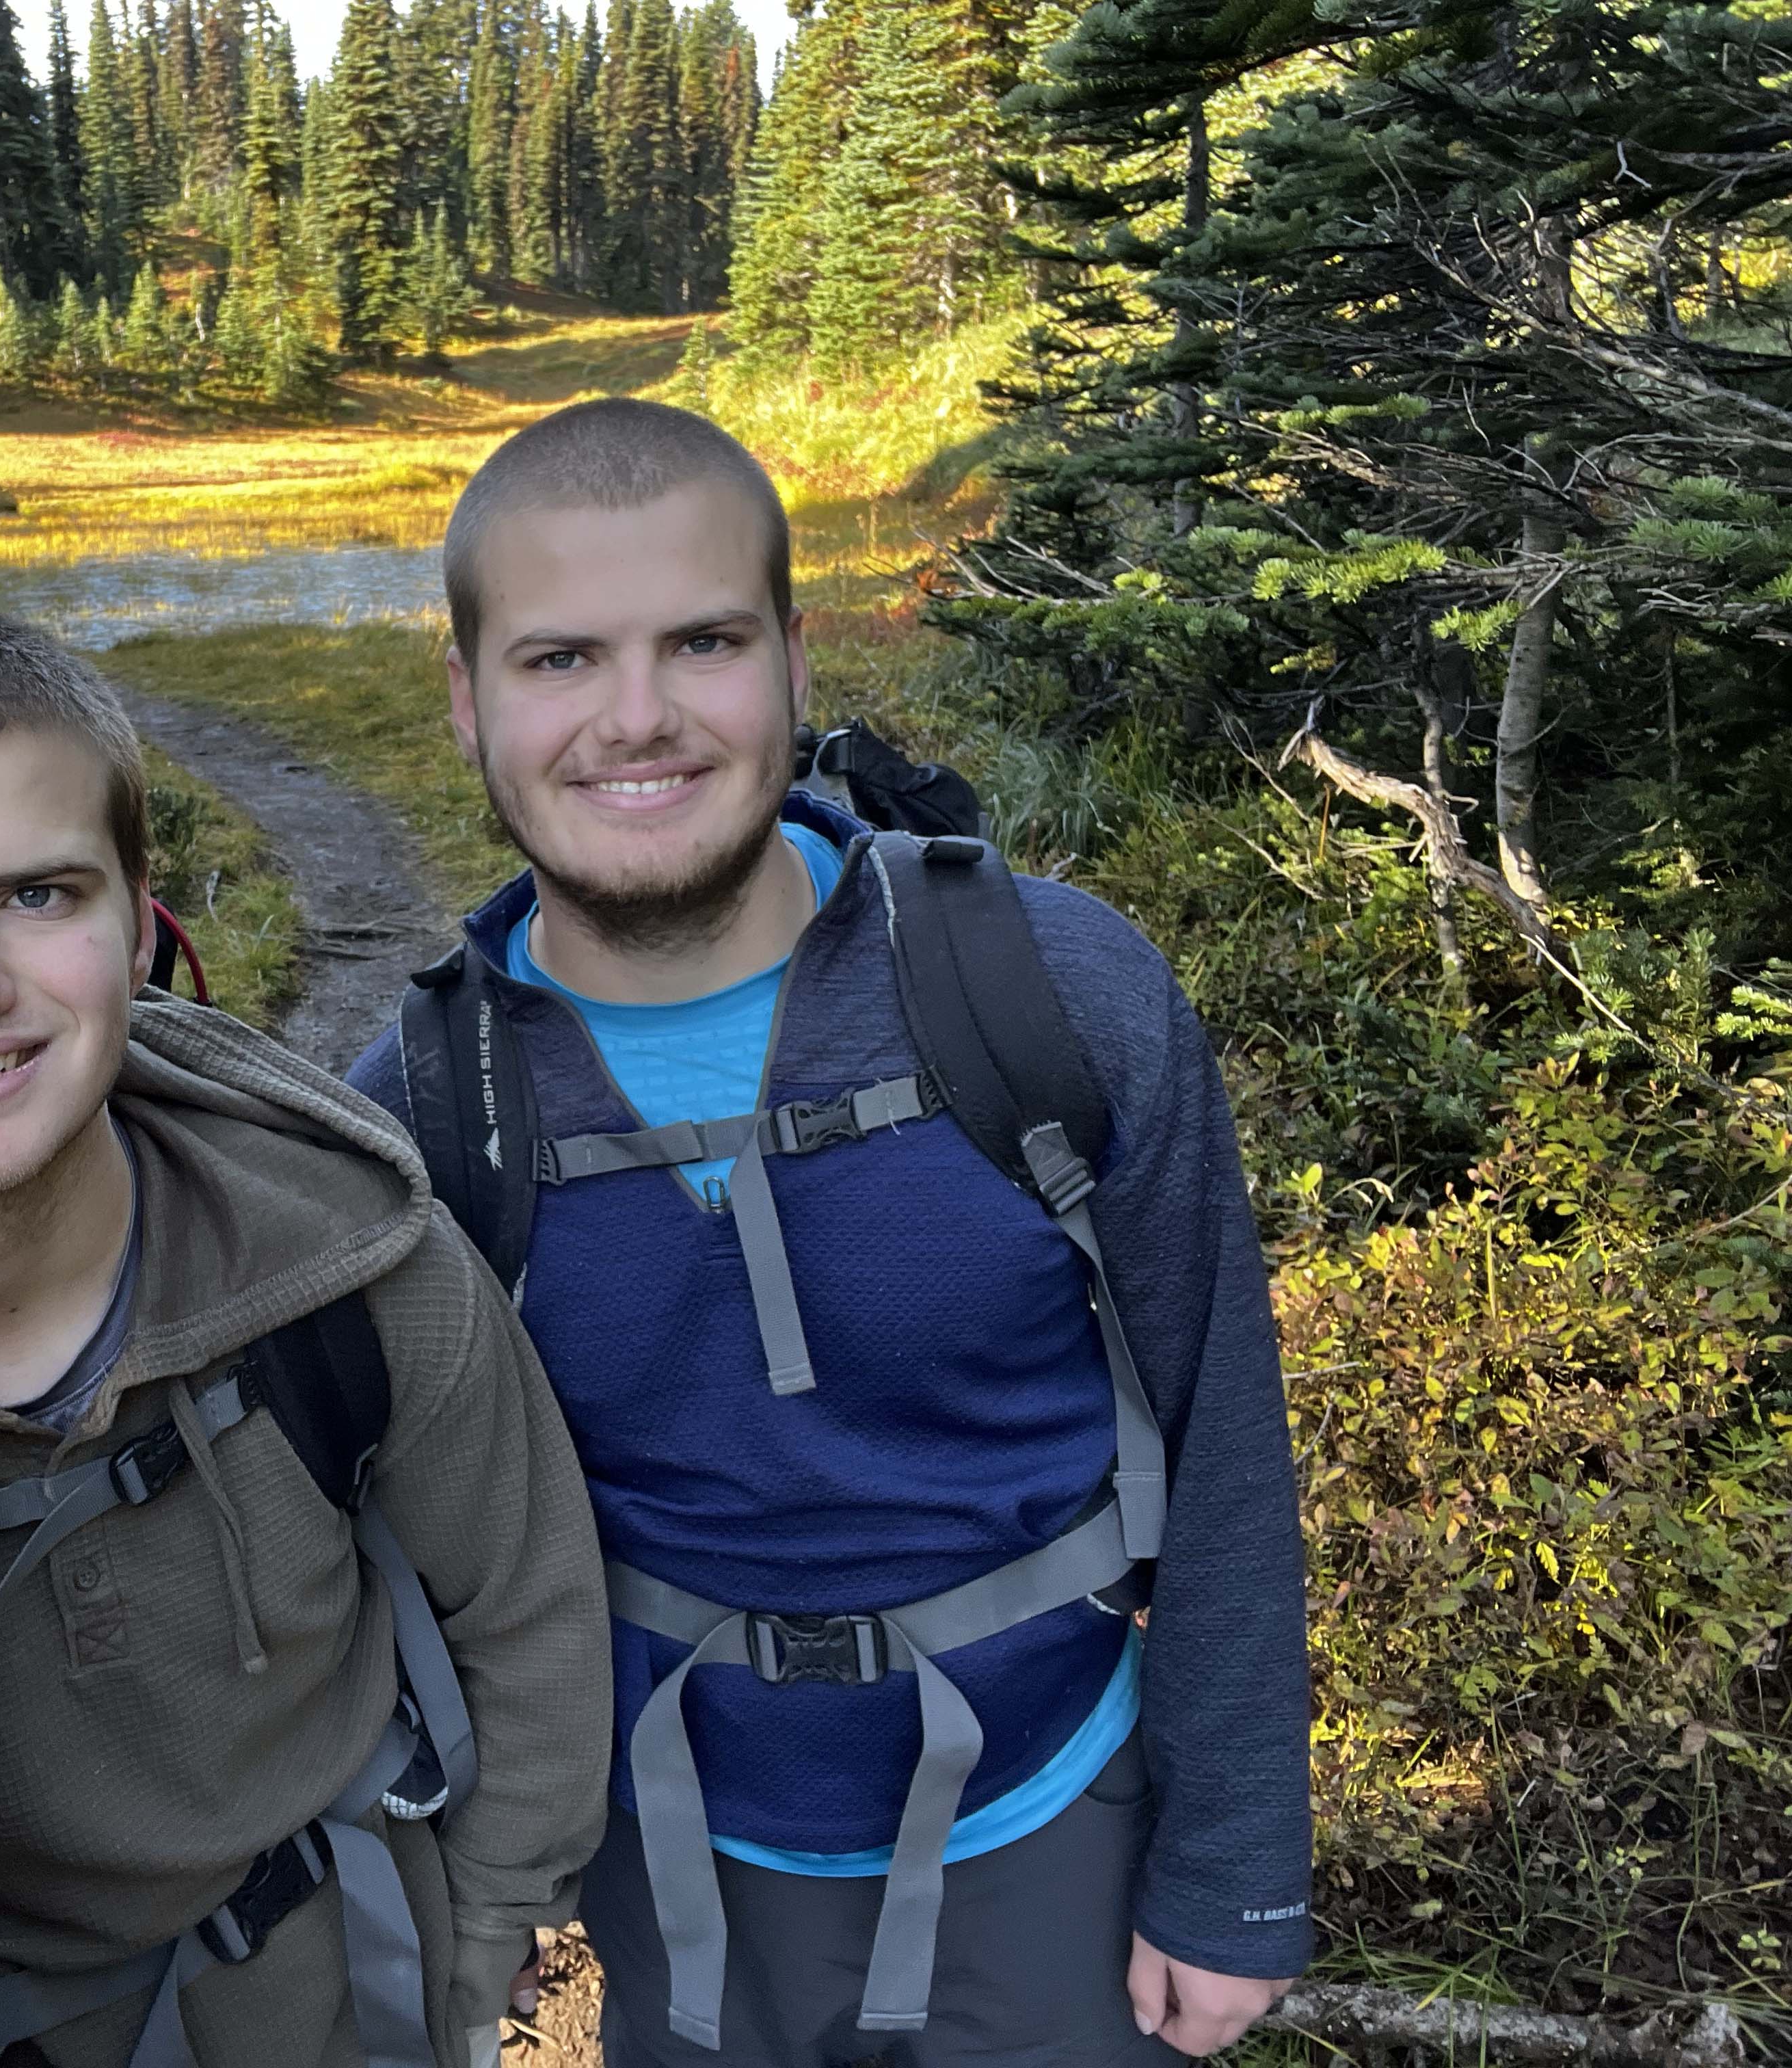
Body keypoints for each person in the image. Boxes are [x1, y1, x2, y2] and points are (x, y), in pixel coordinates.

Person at [347, 399, 1315, 2067]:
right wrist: (464, 1859)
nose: (636, 721)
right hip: (681, 1857)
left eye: (703, 643)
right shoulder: (426, 1104)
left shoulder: (1047, 993)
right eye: (561, 659)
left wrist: (1233, 1871)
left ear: (796, 665)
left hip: (1058, 1805)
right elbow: (396, 1539)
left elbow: (1223, 1430)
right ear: (464, 703)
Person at [0, 598, 610, 2068]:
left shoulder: (354, 1264)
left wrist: (532, 2029)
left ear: (136, 916)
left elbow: (533, 1633)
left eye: (39, 894)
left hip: (359, 1996)